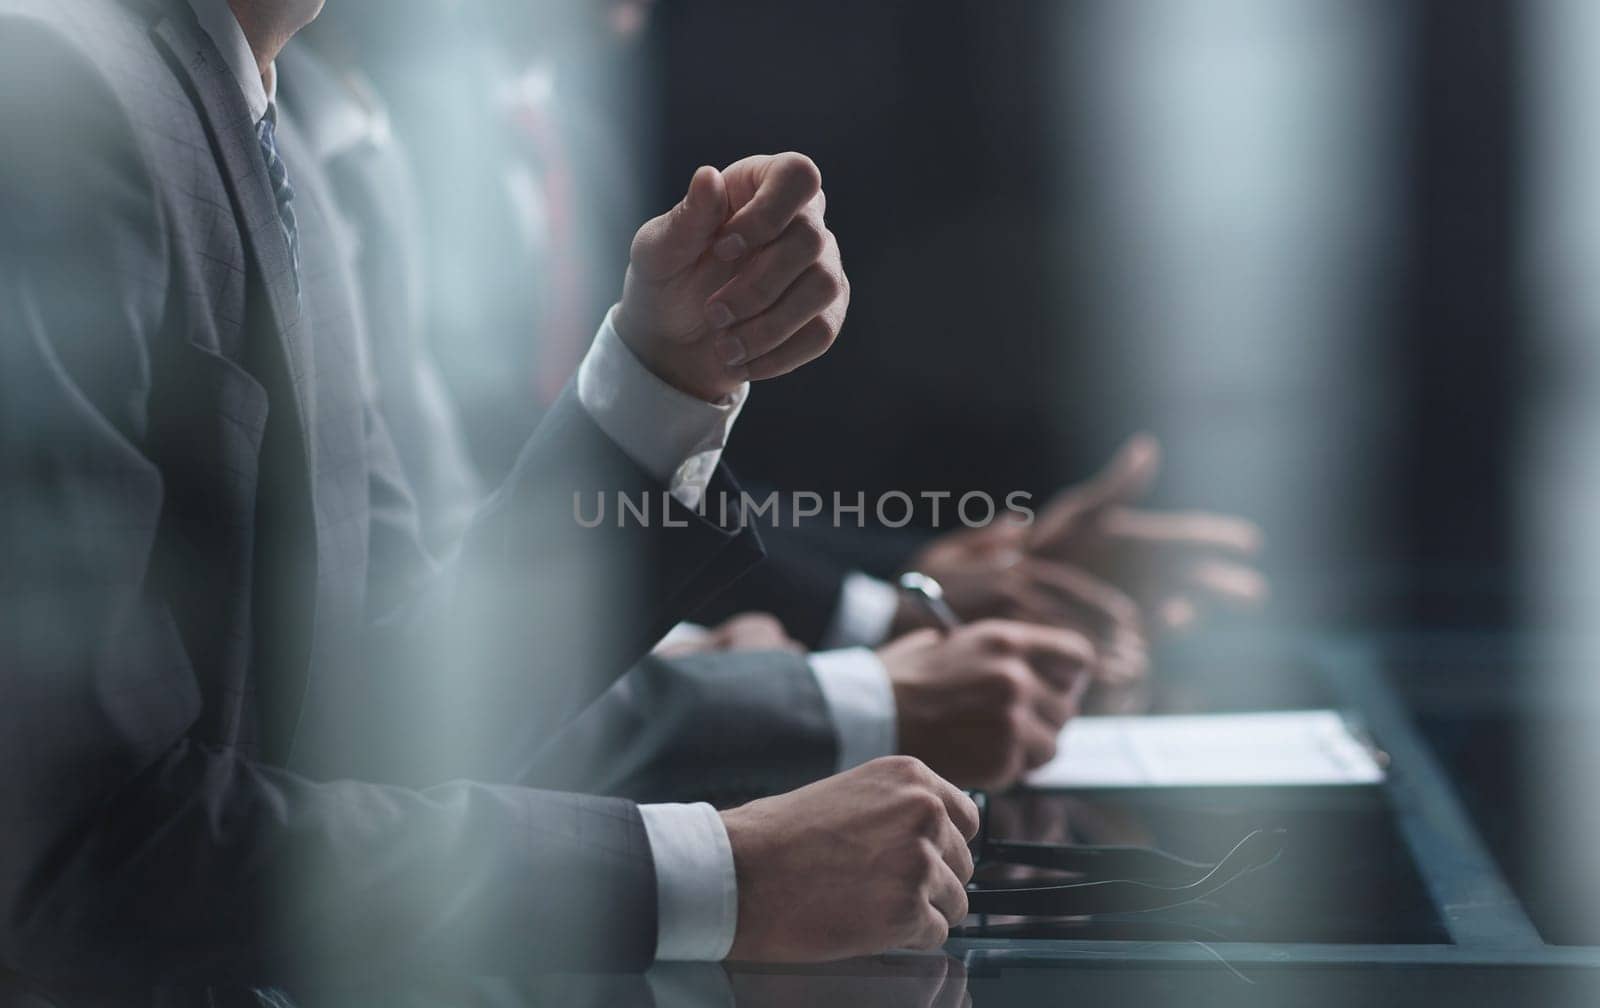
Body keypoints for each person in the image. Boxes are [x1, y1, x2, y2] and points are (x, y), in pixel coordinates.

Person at [0, 0, 978, 992]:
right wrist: (722, 875)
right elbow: (82, 861)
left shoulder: (260, 122)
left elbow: (382, 716)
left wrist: (661, 381)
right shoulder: (51, 88)